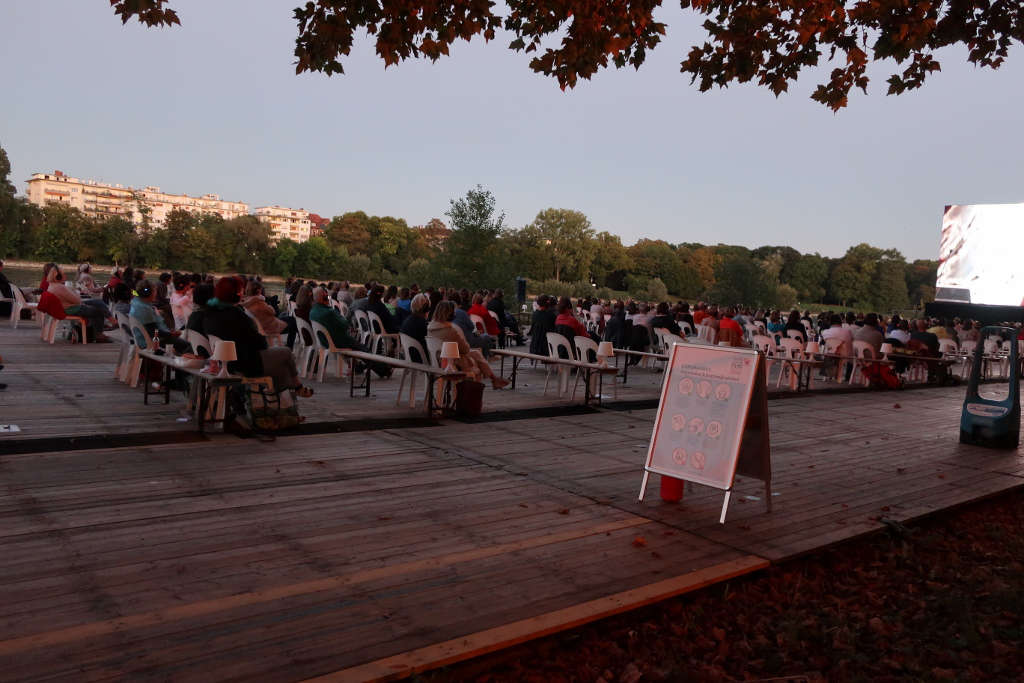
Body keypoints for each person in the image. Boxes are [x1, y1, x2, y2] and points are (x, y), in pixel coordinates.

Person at [204, 277, 313, 397]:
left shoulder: (210, 313)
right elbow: (260, 343)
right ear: (235, 294)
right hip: (246, 364)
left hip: (224, 362)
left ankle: (289, 394)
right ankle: (292, 390)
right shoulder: (236, 314)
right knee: (286, 353)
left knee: (281, 359)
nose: (242, 294)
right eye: (241, 291)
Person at [309, 287, 392, 377]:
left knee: (361, 350)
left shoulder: (313, 311)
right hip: (340, 341)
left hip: (324, 342)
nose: (328, 297)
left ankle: (360, 368)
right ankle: (384, 370)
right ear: (323, 297)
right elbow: (345, 324)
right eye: (327, 296)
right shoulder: (329, 312)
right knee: (364, 351)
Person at [427, 301, 508, 388]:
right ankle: (489, 381)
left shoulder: (430, 327)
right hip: (451, 362)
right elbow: (465, 349)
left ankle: (494, 379)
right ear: (450, 314)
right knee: (475, 357)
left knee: (476, 353)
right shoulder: (451, 330)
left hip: (436, 360)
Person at [46, 266, 111, 342]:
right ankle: (99, 335)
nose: (65, 275)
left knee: (96, 303)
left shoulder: (51, 286)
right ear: (58, 276)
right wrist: (73, 291)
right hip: (70, 309)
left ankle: (100, 329)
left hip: (64, 308)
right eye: (63, 274)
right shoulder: (60, 287)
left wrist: (72, 291)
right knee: (98, 311)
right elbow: (77, 301)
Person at [130, 280, 191, 355]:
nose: (156, 293)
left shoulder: (136, 304)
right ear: (150, 293)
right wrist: (171, 334)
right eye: (155, 291)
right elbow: (154, 332)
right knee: (188, 346)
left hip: (141, 339)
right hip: (151, 343)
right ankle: (176, 365)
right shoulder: (145, 309)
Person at [400, 293, 431, 362]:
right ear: (425, 309)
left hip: (408, 357)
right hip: (420, 360)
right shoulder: (422, 323)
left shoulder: (408, 320)